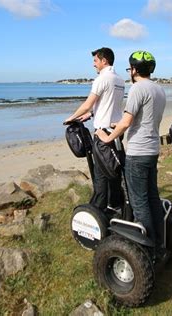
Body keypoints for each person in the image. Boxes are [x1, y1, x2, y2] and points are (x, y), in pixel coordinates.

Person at [95, 51, 166, 250]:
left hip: (138, 152)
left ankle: (147, 248)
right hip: (152, 150)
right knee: (153, 197)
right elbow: (143, 118)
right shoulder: (159, 89)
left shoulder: (137, 88)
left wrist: (107, 137)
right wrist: (120, 123)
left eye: (130, 68)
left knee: (139, 202)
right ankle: (160, 240)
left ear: (134, 69)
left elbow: (126, 122)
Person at [64, 47, 125, 212]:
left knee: (100, 174)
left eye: (95, 61)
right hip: (117, 130)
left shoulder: (102, 79)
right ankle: (115, 204)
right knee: (113, 171)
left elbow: (88, 103)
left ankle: (97, 209)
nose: (93, 64)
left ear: (104, 61)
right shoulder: (119, 80)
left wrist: (71, 118)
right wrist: (90, 114)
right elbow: (108, 103)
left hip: (103, 133)